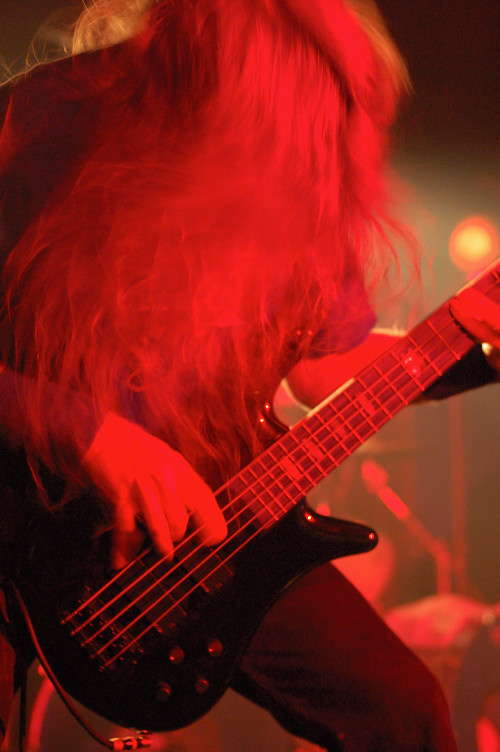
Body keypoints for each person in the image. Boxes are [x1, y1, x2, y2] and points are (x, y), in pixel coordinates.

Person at [0, 0, 499, 749]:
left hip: (214, 532)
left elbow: (319, 365)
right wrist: (90, 434)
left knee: (406, 716)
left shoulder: (309, 166)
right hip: (22, 512)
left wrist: (473, 345)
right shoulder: (44, 119)